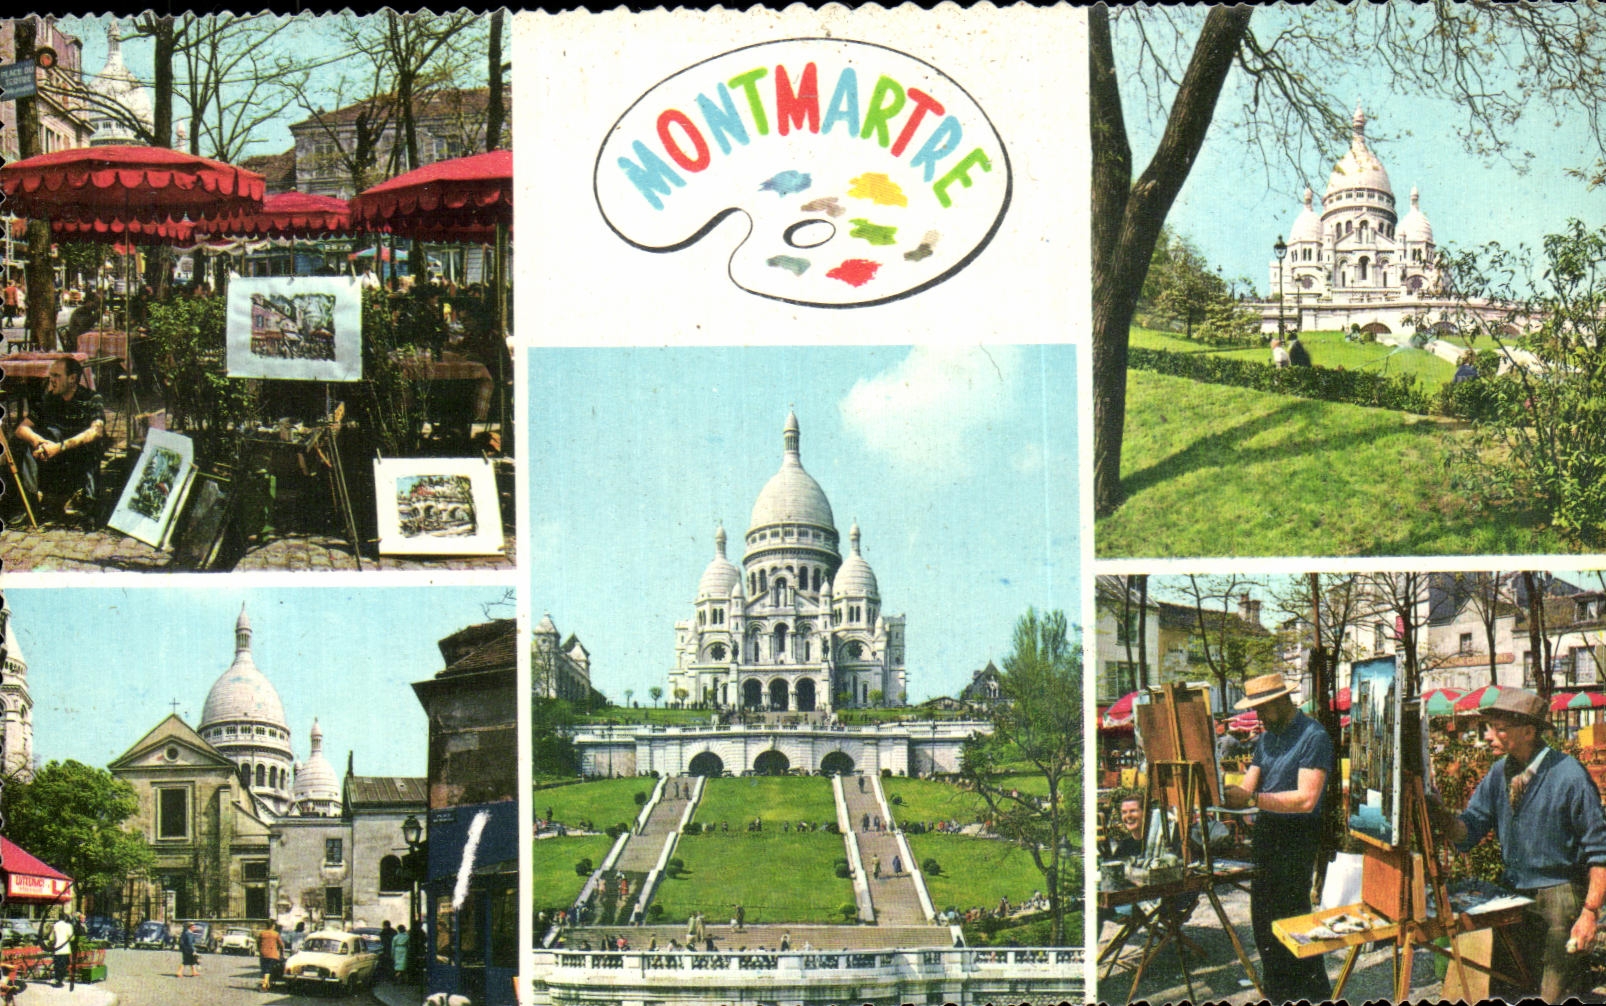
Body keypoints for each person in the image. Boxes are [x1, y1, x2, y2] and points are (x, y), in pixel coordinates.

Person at [1432, 687, 1606, 1001]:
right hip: (1512, 897)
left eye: (1499, 729)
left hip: (1560, 899)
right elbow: (1469, 831)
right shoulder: (1500, 772)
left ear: (1528, 731)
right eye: (1489, 728)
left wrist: (1589, 913)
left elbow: (1600, 853)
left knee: (1555, 995)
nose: (1488, 736)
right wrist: (1440, 816)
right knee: (1507, 989)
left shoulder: (1569, 776)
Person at [1222, 672, 1334, 1005]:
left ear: (1280, 702)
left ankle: (1312, 994)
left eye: (1262, 709)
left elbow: (1306, 799)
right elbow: (1248, 786)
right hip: (1269, 833)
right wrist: (1227, 793)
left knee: (1292, 920)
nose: (1257, 717)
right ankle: (1279, 994)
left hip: (1297, 834)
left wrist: (1252, 800)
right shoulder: (1267, 738)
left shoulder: (1313, 735)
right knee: (1263, 924)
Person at [9, 356, 105, 520]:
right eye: (51, 375)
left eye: (56, 376)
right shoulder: (49, 399)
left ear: (72, 379)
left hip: (77, 456)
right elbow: (21, 428)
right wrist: (38, 441)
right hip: (51, 456)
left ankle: (85, 501)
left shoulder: (91, 398)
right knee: (20, 442)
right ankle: (30, 502)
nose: (51, 380)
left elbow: (96, 431)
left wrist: (59, 447)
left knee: (91, 445)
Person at [256, 922, 283, 991]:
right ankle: (264, 985)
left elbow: (258, 943)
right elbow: (281, 945)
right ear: (273, 926)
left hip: (263, 954)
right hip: (272, 955)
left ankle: (267, 985)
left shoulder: (262, 933)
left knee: (265, 969)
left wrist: (260, 950)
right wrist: (281, 952)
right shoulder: (276, 934)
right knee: (268, 970)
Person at [49, 912, 73, 988]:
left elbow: (51, 938)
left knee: (57, 965)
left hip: (57, 949)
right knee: (64, 965)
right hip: (65, 949)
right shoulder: (68, 926)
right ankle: (60, 980)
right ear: (65, 918)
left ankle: (57, 980)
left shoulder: (55, 925)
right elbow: (72, 938)